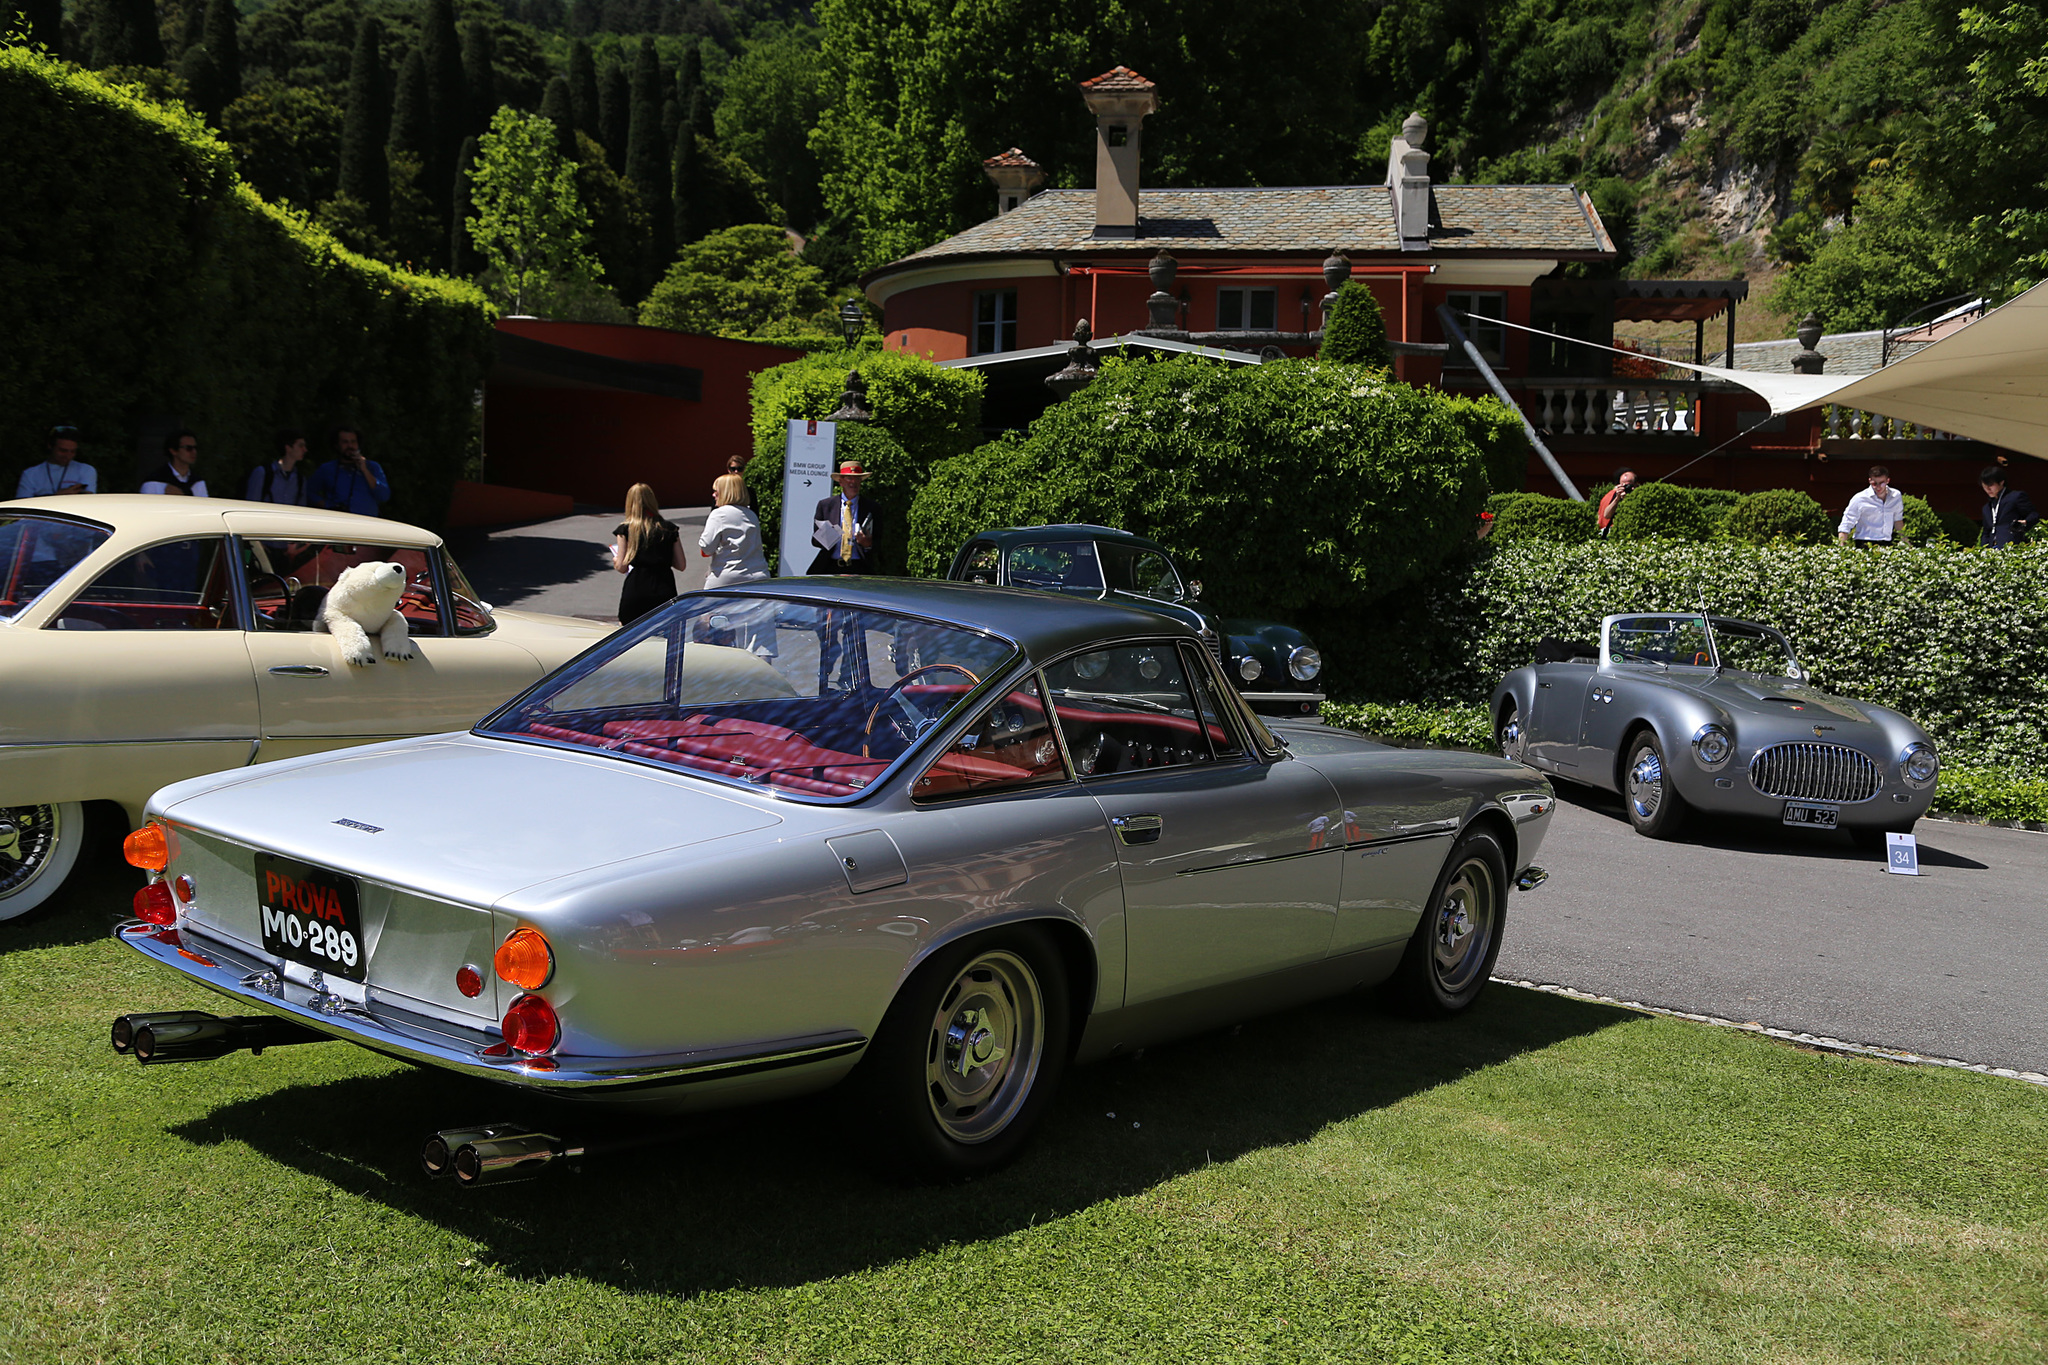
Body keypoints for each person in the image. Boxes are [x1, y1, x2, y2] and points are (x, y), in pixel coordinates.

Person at [611, 482, 685, 626]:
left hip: (636, 589)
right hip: (664, 587)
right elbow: (681, 565)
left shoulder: (626, 530)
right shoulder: (669, 529)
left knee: (630, 635)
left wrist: (615, 560)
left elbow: (622, 567)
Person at [808, 459, 882, 574]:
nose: (853, 482)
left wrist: (868, 543)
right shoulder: (826, 505)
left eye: (857, 479)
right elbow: (815, 541)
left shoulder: (872, 508)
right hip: (831, 566)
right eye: (849, 478)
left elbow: (880, 541)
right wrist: (827, 537)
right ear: (841, 482)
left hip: (860, 567)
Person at [699, 473, 770, 587]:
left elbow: (707, 547)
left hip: (727, 576)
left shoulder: (718, 514)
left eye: (716, 491)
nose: (713, 495)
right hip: (758, 575)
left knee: (708, 604)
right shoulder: (751, 515)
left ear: (725, 492)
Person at [308, 426, 391, 516]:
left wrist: (365, 470)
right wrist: (326, 505)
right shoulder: (327, 469)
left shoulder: (372, 467)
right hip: (338, 521)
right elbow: (309, 491)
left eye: (353, 442)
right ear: (337, 445)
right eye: (345, 442)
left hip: (366, 522)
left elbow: (384, 496)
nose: (350, 446)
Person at [15, 424, 97, 497]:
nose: (68, 455)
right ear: (50, 446)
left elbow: (85, 500)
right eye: (63, 451)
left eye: (72, 451)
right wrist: (57, 496)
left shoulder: (86, 470)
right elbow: (23, 505)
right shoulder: (31, 474)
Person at [1837, 465, 1906, 546]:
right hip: (1865, 542)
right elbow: (1846, 523)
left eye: (1882, 483)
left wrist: (1906, 542)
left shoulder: (1896, 496)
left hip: (1886, 542)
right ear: (1869, 480)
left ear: (1888, 481)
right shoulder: (1860, 498)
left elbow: (1898, 520)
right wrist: (1841, 547)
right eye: (1874, 483)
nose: (1878, 487)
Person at [244, 429, 310, 504]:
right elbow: (251, 504)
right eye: (300, 446)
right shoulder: (263, 473)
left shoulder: (300, 480)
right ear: (288, 448)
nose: (305, 450)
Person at [1979, 464, 2035, 548]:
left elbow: (2033, 514)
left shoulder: (2015, 497)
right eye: (1984, 486)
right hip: (1991, 550)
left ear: (2001, 482)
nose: (1987, 489)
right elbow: (1986, 531)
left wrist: (2025, 522)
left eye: (1990, 485)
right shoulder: (1987, 507)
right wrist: (1983, 548)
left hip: (2011, 546)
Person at [139, 429, 208, 496]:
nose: (194, 452)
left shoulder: (198, 482)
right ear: (173, 451)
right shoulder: (154, 482)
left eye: (195, 448)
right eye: (188, 448)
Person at [1596, 468, 1637, 537]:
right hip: (1611, 531)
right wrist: (1617, 498)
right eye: (1624, 485)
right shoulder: (1613, 495)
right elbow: (1606, 515)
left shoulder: (1636, 496)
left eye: (1629, 485)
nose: (1627, 488)